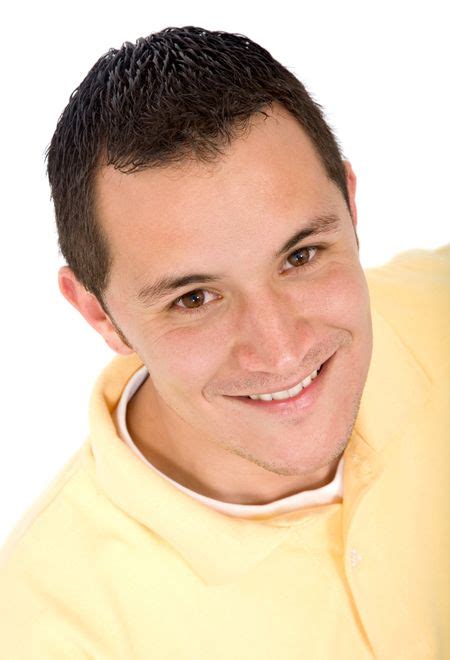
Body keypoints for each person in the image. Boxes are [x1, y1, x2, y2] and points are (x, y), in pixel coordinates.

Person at [0, 26, 448, 659]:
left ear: (350, 206)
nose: (281, 350)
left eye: (301, 255)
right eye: (194, 298)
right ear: (98, 314)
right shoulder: (54, 632)